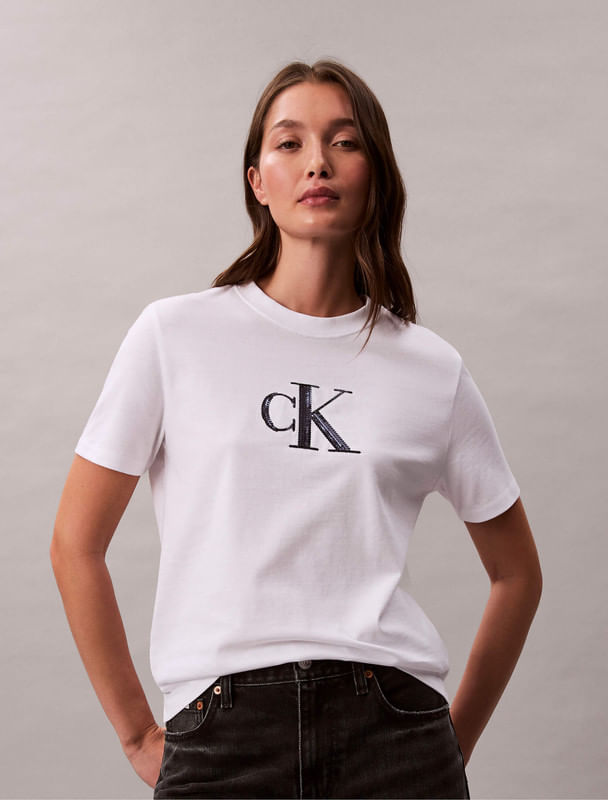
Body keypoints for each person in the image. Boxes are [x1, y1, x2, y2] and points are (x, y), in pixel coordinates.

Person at [50, 58, 542, 799]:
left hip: (393, 731)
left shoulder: (431, 369)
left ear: (375, 173)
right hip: (221, 731)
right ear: (257, 181)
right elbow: (74, 544)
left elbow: (518, 573)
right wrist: (137, 735)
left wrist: (450, 743)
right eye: (290, 143)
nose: (317, 162)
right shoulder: (175, 337)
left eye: (344, 141)